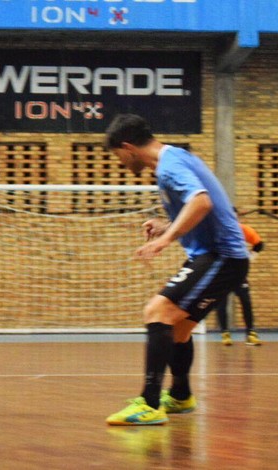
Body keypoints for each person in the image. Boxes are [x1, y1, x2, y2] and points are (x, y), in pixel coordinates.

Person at [103, 114, 249, 426]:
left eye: (118, 156)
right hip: (217, 257)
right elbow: (199, 210)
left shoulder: (169, 166)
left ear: (128, 147)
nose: (121, 163)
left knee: (157, 311)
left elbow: (201, 202)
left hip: (221, 257)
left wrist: (166, 239)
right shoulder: (174, 158)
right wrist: (166, 226)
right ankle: (181, 396)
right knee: (179, 329)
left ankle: (149, 403)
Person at [217, 209, 264, 346]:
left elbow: (259, 244)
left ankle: (250, 333)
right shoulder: (219, 231)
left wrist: (251, 257)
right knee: (221, 303)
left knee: (246, 301)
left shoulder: (243, 230)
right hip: (222, 273)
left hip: (238, 273)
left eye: (235, 217)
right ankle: (224, 333)